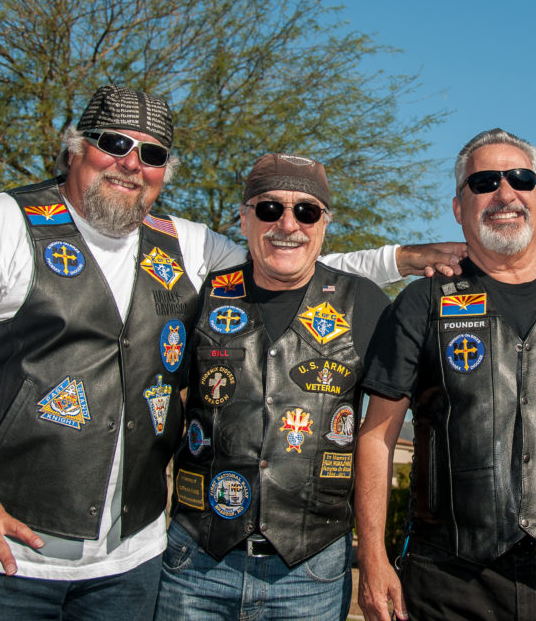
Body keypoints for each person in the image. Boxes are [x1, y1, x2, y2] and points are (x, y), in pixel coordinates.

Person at [0, 84, 463, 620]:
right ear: (74, 148)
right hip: (0, 556)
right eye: (113, 143)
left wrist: (396, 259)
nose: (131, 163)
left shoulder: (185, 245)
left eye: (151, 154)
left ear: (163, 173)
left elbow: (290, 261)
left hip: (129, 565)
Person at [355, 128, 536, 621]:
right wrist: (373, 558)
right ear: (459, 207)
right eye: (485, 182)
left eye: (520, 178)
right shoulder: (422, 303)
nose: (505, 193)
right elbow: (377, 437)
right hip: (448, 581)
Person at [154, 153, 389, 620]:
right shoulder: (199, 296)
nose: (288, 224)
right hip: (196, 563)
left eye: (306, 211)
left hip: (311, 573)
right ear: (244, 219)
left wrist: (377, 554)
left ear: (325, 223)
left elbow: (380, 435)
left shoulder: (366, 304)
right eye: (268, 209)